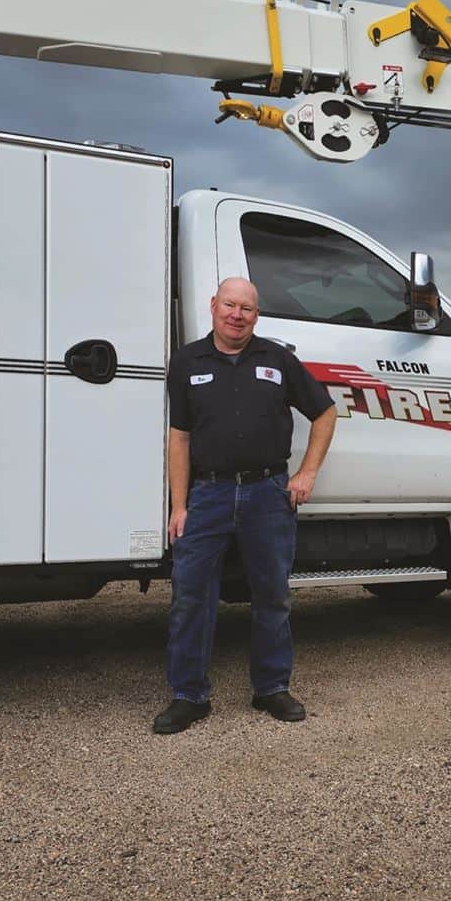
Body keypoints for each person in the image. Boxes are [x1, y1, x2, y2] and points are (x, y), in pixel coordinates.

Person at [153, 277, 337, 734]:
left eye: (248, 309)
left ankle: (271, 688)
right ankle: (188, 695)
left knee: (272, 596)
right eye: (230, 305)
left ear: (257, 316)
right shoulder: (187, 361)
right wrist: (180, 505)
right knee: (191, 597)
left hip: (267, 494)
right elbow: (179, 438)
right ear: (213, 306)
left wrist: (307, 472)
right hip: (207, 494)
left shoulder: (277, 359)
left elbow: (325, 412)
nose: (237, 315)